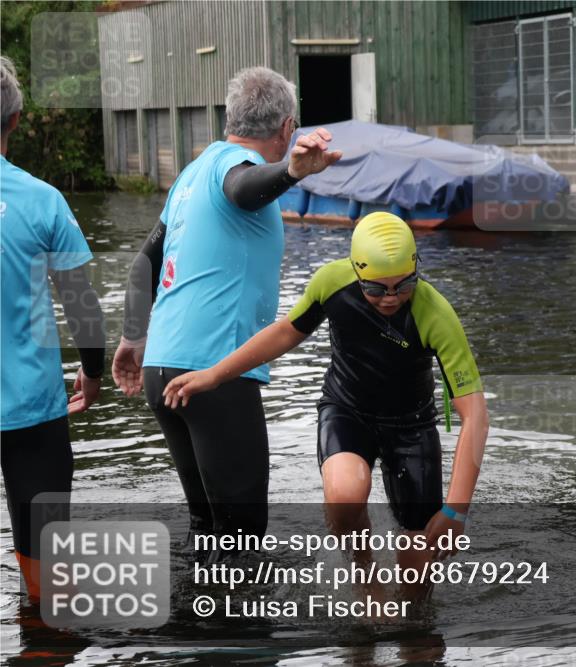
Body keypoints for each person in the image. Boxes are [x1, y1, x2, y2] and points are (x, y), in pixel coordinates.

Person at [162, 212, 489, 597]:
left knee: (419, 573)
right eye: (375, 289)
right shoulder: (332, 283)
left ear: (418, 268)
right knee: (345, 494)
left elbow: (475, 415)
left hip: (411, 425)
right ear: (355, 271)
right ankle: (365, 575)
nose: (390, 298)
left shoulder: (436, 314)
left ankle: (415, 632)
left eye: (404, 286)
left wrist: (455, 511)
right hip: (347, 410)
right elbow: (286, 332)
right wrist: (214, 374)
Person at [112, 66, 340, 550]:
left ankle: (196, 621)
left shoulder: (191, 174)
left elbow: (141, 265)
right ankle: (237, 626)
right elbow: (244, 187)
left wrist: (133, 339)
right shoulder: (232, 167)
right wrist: (294, 171)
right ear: (286, 128)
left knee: (208, 529)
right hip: (213, 371)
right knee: (241, 538)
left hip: (161, 368)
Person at [0, 55, 106, 599]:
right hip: (32, 406)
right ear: (15, 120)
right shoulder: (43, 201)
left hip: (32, 408)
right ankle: (45, 645)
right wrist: (92, 374)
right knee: (46, 568)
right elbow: (81, 303)